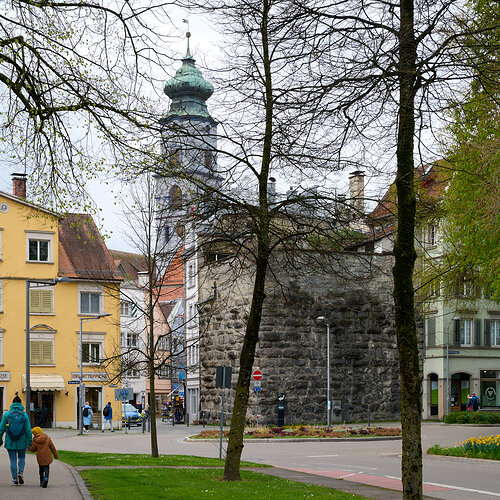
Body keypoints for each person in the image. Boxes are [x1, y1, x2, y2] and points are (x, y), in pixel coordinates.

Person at [0, 396, 32, 485]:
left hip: (10, 441)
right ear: (21, 404)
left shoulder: (7, 414)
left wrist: (0, 440)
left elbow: (1, 428)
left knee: (13, 460)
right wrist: (30, 441)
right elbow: (28, 429)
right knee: (22, 458)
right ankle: (20, 472)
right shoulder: (24, 415)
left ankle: (14, 479)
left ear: (12, 403)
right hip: (22, 440)